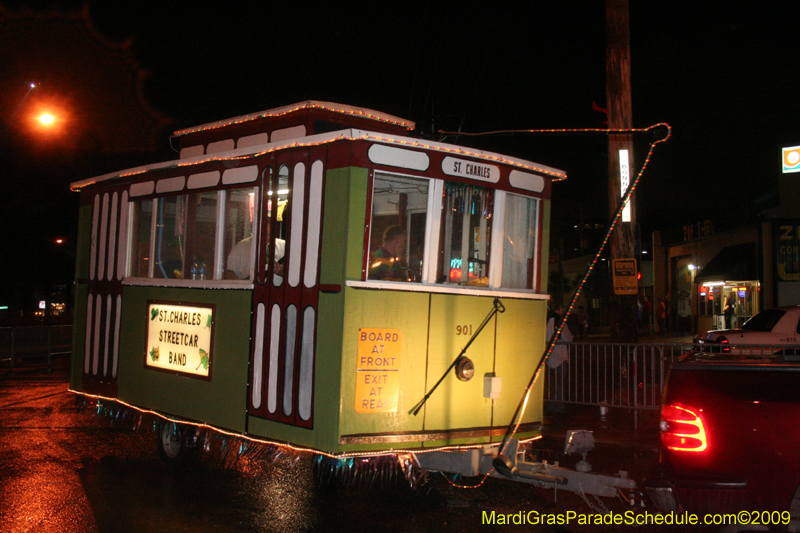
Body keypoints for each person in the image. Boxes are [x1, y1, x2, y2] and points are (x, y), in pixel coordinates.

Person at [546, 302, 573, 415]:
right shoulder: (561, 321)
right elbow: (568, 338)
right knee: (560, 382)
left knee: (551, 382)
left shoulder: (546, 320)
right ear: (560, 309)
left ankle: (550, 404)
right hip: (560, 355)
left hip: (549, 355)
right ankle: (559, 406)